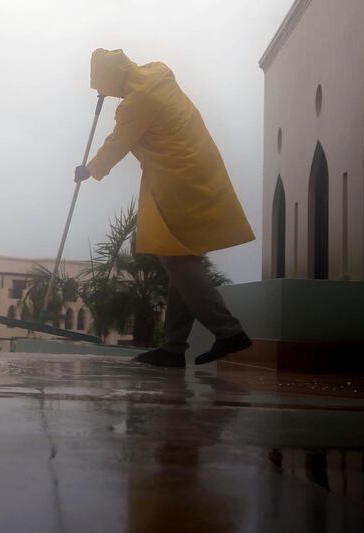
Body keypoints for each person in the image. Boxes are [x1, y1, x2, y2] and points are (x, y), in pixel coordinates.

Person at [75, 49, 255, 368]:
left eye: (100, 84)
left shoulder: (136, 102)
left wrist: (89, 169)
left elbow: (118, 142)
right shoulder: (156, 72)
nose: (102, 92)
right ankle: (173, 347)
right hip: (197, 169)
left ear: (109, 76)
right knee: (180, 258)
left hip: (177, 180)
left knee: (175, 258)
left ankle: (229, 332)